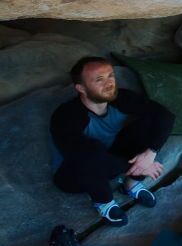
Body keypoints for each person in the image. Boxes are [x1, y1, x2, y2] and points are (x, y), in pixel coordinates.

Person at [50, 57, 175, 226]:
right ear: (81, 88)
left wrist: (149, 153)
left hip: (112, 156)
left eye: (110, 76)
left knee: (149, 122)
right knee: (93, 151)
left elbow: (165, 115)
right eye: (99, 80)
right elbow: (84, 156)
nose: (109, 83)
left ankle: (130, 185)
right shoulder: (67, 116)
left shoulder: (120, 98)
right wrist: (139, 166)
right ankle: (104, 202)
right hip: (75, 173)